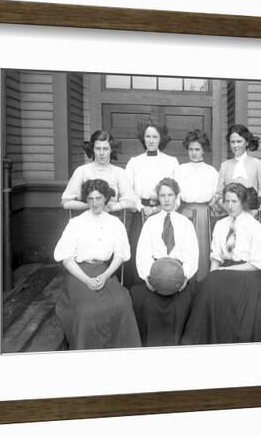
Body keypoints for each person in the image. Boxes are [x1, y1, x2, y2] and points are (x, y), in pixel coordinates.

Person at [181, 183, 261, 345]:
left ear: (243, 202)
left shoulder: (255, 227)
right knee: (208, 288)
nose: (230, 206)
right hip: (223, 271)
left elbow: (256, 264)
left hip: (248, 273)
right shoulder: (221, 225)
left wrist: (224, 271)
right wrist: (213, 274)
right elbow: (216, 257)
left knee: (235, 299)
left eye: (234, 201)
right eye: (227, 201)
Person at [53, 179, 141, 350]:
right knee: (87, 310)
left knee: (123, 303)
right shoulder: (76, 223)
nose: (94, 203)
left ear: (106, 199)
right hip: (79, 273)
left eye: (99, 198)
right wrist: (86, 280)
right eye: (91, 198)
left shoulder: (115, 223)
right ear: (86, 199)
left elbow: (120, 255)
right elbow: (66, 259)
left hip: (104, 269)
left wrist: (106, 275)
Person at [213, 124, 261, 317]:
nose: (235, 145)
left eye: (239, 141)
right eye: (232, 141)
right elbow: (219, 194)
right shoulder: (225, 166)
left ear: (247, 142)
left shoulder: (258, 164)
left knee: (259, 261)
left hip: (252, 219)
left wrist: (254, 213)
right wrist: (227, 209)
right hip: (230, 219)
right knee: (231, 257)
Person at [130, 178, 199, 347]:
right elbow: (142, 254)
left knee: (182, 303)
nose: (167, 199)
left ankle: (177, 345)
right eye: (162, 195)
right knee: (147, 304)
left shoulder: (186, 223)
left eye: (170, 195)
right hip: (155, 274)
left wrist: (184, 277)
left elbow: (192, 254)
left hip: (178, 275)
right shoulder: (150, 223)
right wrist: (148, 278)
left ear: (176, 197)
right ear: (158, 198)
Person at [124, 121, 179, 286]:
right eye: (147, 136)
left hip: (164, 209)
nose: (151, 140)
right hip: (141, 210)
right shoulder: (134, 162)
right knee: (138, 249)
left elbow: (176, 190)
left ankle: (164, 283)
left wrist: (159, 208)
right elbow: (128, 191)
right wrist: (142, 208)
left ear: (161, 139)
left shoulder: (171, 161)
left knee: (162, 248)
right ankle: (139, 286)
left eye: (154, 136)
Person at [174, 130, 219, 283]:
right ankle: (184, 280)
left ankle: (202, 282)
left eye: (197, 149)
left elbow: (216, 195)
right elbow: (175, 195)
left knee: (202, 248)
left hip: (203, 214)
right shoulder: (180, 169)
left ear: (204, 151)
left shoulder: (211, 171)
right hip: (184, 211)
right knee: (184, 247)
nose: (194, 153)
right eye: (191, 149)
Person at [61, 130, 136, 213]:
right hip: (86, 220)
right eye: (97, 148)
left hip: (110, 220)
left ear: (111, 150)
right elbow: (66, 202)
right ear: (92, 149)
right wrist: (90, 205)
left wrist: (113, 207)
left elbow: (131, 202)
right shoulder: (82, 171)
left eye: (105, 149)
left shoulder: (119, 173)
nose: (101, 153)